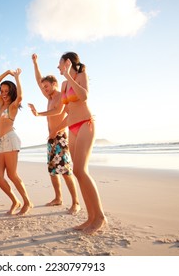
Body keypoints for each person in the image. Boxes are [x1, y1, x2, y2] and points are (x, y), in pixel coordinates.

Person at [50, 52, 106, 234]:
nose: (58, 68)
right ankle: (90, 217)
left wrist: (68, 76)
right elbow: (68, 112)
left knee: (81, 170)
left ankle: (100, 217)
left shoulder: (80, 75)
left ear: (67, 62)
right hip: (72, 127)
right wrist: (56, 129)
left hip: (85, 124)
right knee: (77, 172)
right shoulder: (64, 84)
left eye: (60, 64)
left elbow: (84, 96)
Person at [28, 53, 81, 215]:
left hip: (61, 137)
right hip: (51, 138)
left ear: (54, 84)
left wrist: (39, 114)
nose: (44, 89)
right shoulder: (49, 96)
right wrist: (35, 63)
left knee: (65, 171)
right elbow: (38, 81)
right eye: (44, 87)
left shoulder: (59, 96)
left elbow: (58, 111)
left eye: (47, 86)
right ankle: (58, 198)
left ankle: (76, 202)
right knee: (52, 170)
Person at [0, 69, 33, 215]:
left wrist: (16, 77)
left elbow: (20, 96)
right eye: (2, 90)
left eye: (7, 91)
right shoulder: (1, 104)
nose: (3, 93)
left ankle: (27, 202)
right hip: (2, 142)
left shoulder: (12, 106)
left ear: (11, 92)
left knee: (12, 174)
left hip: (10, 139)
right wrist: (6, 73)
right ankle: (15, 201)